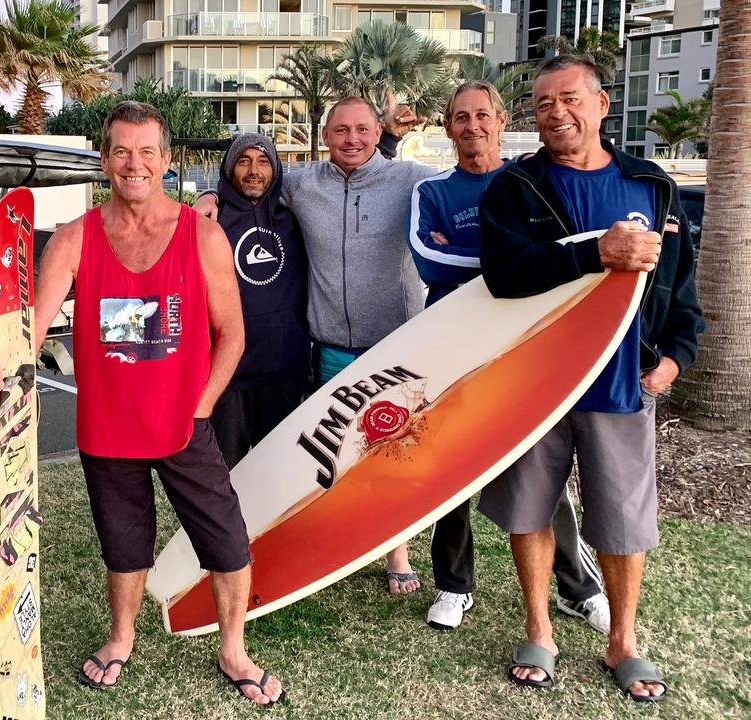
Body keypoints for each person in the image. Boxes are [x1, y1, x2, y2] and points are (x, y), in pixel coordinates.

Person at [0, 101, 284, 705]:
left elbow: (233, 334)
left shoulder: (202, 233)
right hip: (107, 428)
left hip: (183, 425)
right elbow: (27, 333)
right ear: (104, 160)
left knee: (226, 538)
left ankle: (234, 648)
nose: (133, 164)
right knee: (123, 542)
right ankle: (120, 638)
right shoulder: (75, 239)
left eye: (146, 152)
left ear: (166, 160)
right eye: (120, 151)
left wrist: (200, 407)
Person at [478, 55, 703, 701]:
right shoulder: (514, 188)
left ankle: (623, 641)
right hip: (537, 381)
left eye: (569, 97)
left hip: (622, 385)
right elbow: (504, 276)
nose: (556, 112)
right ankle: (540, 628)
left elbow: (678, 287)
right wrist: (591, 252)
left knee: (623, 520)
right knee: (529, 509)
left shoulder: (651, 185)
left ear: (602, 105)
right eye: (544, 103)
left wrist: (674, 358)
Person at [199, 95, 436, 594]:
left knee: (395, 455)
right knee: (337, 455)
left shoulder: (410, 179)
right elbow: (246, 185)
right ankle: (328, 541)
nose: (353, 139)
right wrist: (207, 199)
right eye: (341, 130)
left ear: (377, 133)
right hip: (327, 348)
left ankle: (397, 554)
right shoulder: (303, 184)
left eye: (363, 130)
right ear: (324, 136)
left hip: (395, 344)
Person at [409, 81, 609, 633]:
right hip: (454, 347)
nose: (472, 126)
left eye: (482, 115)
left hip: (528, 346)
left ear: (500, 120)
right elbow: (429, 261)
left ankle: (578, 587)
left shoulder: (532, 182)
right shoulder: (432, 192)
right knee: (449, 470)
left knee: (540, 468)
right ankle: (453, 585)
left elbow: (563, 257)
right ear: (447, 129)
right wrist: (514, 262)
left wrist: (520, 262)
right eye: (460, 118)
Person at [210, 133, 309, 467]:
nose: (254, 170)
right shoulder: (209, 222)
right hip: (228, 378)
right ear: (229, 169)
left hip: (284, 373)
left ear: (276, 169)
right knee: (227, 479)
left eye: (263, 161)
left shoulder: (294, 219)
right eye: (244, 161)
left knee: (277, 476)